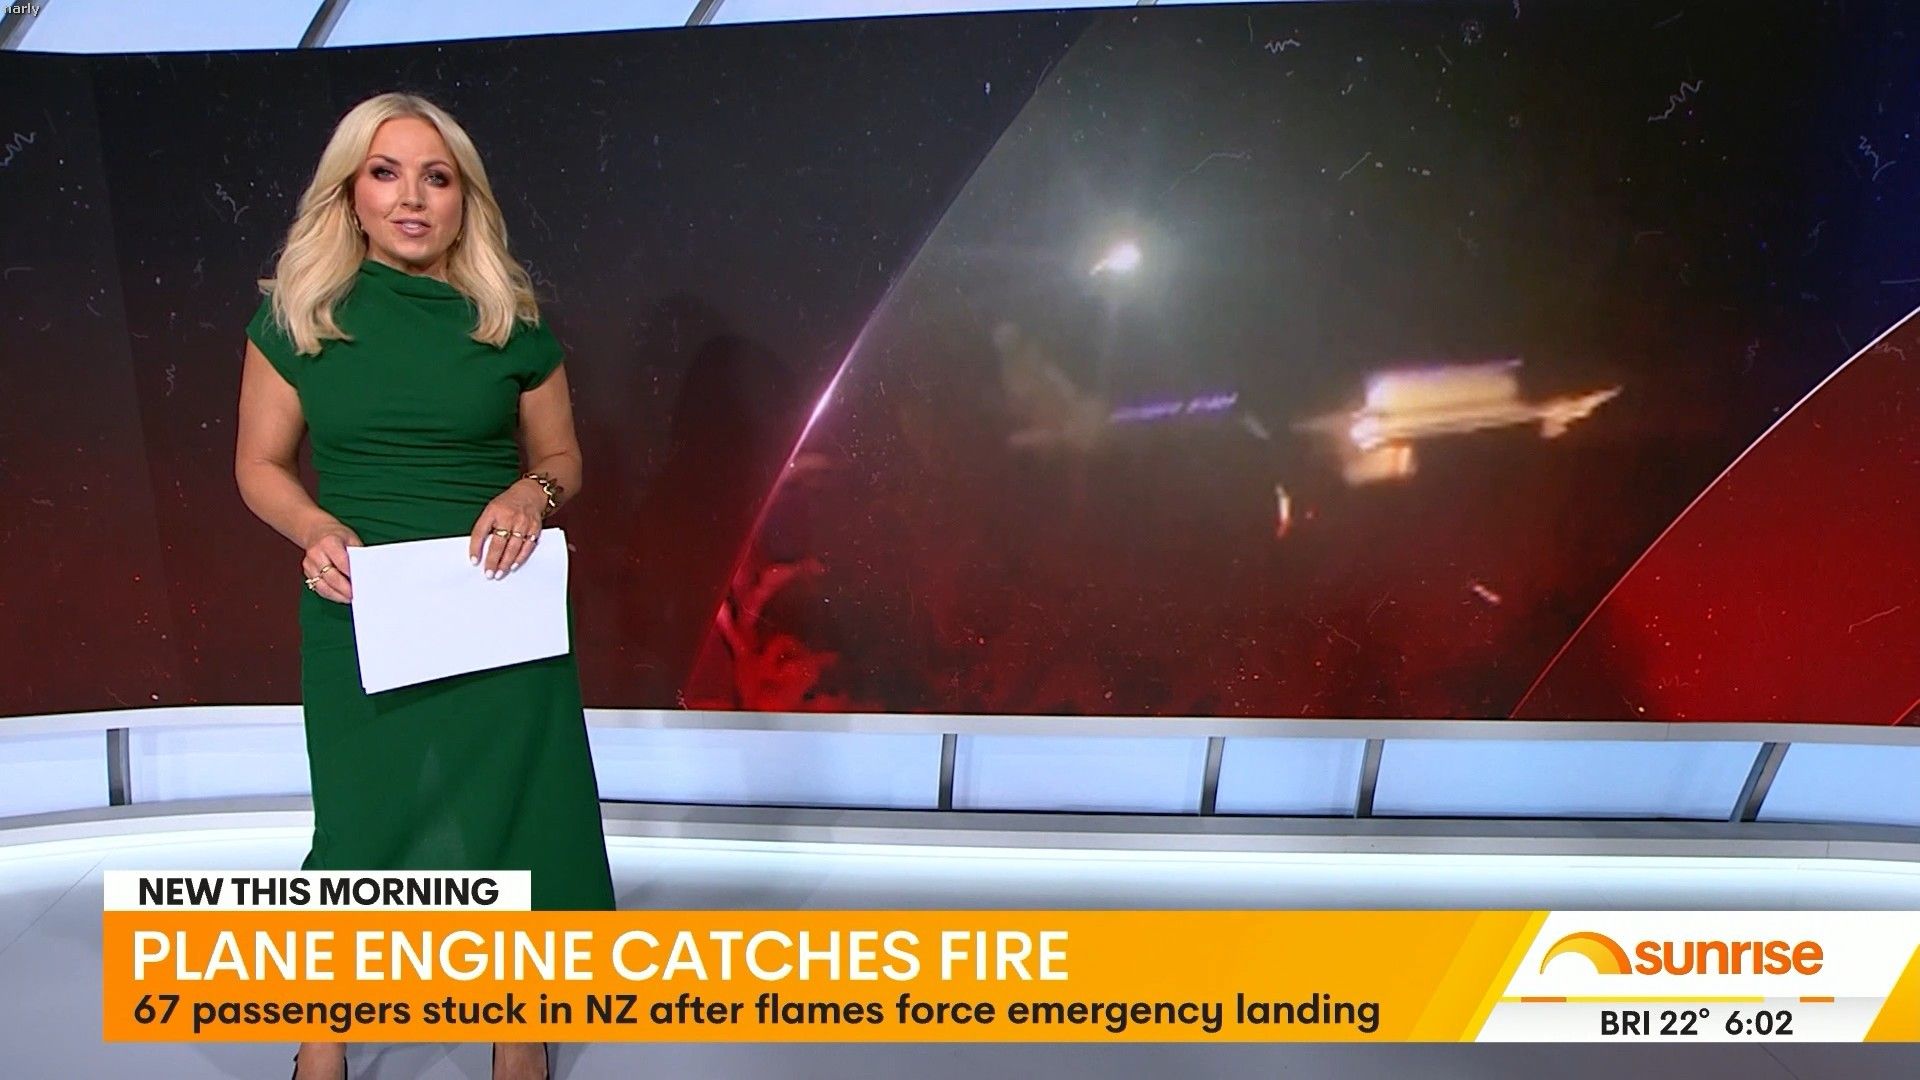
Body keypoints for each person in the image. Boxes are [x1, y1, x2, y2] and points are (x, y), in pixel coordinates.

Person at [233, 90, 612, 1080]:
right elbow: (259, 466)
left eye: (436, 178)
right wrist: (313, 526)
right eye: (386, 173)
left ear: (463, 199)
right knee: (360, 821)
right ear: (349, 194)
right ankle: (323, 1042)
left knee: (515, 816)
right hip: (360, 606)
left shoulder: (510, 323)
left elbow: (563, 459)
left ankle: (518, 1037)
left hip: (499, 602)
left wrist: (531, 494)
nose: (412, 198)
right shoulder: (298, 321)